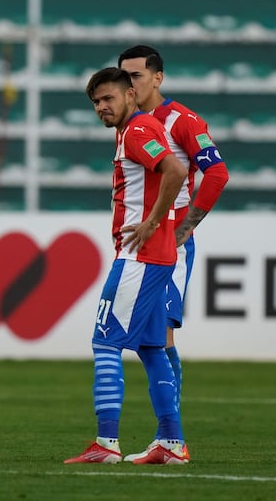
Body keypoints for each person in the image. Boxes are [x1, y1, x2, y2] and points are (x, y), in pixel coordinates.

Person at [64, 67, 189, 465]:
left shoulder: (137, 131)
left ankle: (107, 443)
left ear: (131, 94)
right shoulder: (132, 130)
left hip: (141, 254)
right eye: (96, 102)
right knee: (152, 348)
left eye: (109, 99)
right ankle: (172, 443)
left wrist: (151, 221)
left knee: (105, 342)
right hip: (156, 255)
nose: (102, 107)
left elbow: (176, 170)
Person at [118, 45, 230, 462]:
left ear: (158, 78)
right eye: (123, 75)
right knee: (153, 339)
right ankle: (168, 439)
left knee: (158, 336)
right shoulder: (132, 124)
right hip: (143, 244)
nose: (129, 83)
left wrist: (185, 228)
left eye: (136, 76)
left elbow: (217, 173)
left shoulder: (181, 121)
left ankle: (171, 440)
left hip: (169, 245)